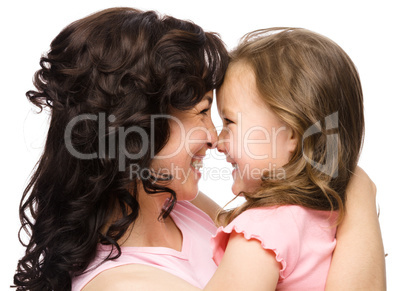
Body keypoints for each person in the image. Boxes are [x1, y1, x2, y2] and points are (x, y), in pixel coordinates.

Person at [13, 8, 385, 291]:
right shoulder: (121, 283)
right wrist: (358, 191)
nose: (214, 137)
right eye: (204, 113)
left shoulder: (179, 207)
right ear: (138, 130)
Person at [201, 27, 385, 290]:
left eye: (229, 121)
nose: (218, 142)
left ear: (293, 134)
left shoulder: (260, 232)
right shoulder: (334, 219)